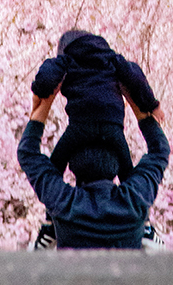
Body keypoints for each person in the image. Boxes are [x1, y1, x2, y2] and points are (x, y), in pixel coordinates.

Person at [17, 84, 170, 250]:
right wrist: (136, 102)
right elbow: (160, 150)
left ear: (72, 167)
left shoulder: (64, 202)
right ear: (117, 166)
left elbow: (27, 153)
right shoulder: (134, 199)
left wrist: (44, 105)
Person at [31, 29, 163, 181]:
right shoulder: (111, 58)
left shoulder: (67, 59)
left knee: (53, 172)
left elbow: (47, 77)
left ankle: (55, 201)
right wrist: (152, 105)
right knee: (128, 177)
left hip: (81, 124)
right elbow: (135, 78)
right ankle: (128, 202)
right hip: (112, 125)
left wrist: (39, 93)